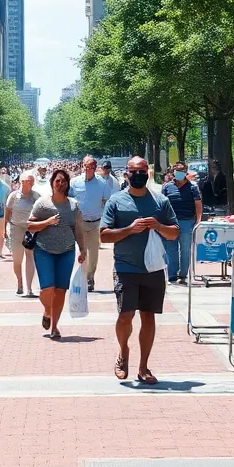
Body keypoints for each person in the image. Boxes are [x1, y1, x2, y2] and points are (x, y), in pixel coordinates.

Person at [101, 156, 179, 384]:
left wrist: (158, 226)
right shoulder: (116, 201)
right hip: (126, 267)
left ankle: (144, 366)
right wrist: (129, 229)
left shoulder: (160, 201)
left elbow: (174, 232)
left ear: (148, 173)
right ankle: (123, 351)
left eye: (142, 170)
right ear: (127, 174)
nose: (138, 174)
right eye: (133, 171)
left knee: (148, 316)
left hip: (153, 269)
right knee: (125, 316)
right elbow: (104, 235)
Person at [27, 169, 86, 340]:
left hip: (66, 251)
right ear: (52, 183)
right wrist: (47, 222)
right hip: (44, 250)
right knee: (48, 288)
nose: (60, 184)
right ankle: (47, 309)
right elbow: (29, 225)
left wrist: (83, 249)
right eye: (57, 181)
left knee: (60, 290)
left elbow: (78, 229)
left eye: (63, 181)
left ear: (68, 184)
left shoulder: (73, 205)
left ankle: (54, 326)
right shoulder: (42, 204)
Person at [70, 156, 110, 292]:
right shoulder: (74, 182)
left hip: (95, 223)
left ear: (95, 168)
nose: (89, 170)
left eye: (92, 167)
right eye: (87, 167)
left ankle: (90, 277)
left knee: (93, 252)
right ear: (82, 166)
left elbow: (106, 202)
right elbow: (68, 199)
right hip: (80, 223)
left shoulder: (102, 183)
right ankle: (81, 276)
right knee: (81, 251)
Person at [161, 160, 203, 285]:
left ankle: (183, 274)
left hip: (187, 222)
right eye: (177, 171)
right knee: (171, 249)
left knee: (185, 249)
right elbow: (162, 204)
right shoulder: (167, 187)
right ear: (173, 172)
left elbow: (198, 204)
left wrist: (198, 220)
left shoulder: (192, 187)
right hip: (170, 223)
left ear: (185, 172)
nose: (179, 173)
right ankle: (172, 275)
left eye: (182, 171)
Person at [4, 171, 41, 297]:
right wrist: (5, 229)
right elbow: (7, 213)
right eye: (28, 181)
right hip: (16, 228)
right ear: (22, 182)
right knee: (17, 258)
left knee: (30, 255)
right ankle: (19, 282)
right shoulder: (14, 196)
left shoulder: (36, 196)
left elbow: (41, 212)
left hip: (30, 228)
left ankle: (29, 288)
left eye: (32, 181)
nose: (31, 183)